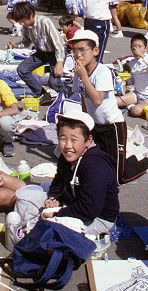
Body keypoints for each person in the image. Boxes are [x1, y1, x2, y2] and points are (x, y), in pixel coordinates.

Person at [70, 28, 148, 183]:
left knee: (117, 178)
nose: (78, 55)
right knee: (101, 164)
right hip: (96, 125)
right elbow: (82, 97)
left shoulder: (102, 71)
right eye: (74, 51)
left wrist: (83, 76)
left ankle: (146, 161)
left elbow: (97, 100)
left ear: (95, 51)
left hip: (112, 125)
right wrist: (84, 121)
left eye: (82, 50)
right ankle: (126, 160)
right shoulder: (79, 73)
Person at [41, 102, 119, 240]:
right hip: (75, 202)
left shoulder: (96, 166)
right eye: (62, 139)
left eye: (74, 140)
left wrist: (57, 213)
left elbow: (89, 210)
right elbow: (59, 181)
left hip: (98, 218)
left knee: (51, 231)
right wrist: (54, 198)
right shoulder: (67, 156)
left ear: (88, 141)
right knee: (35, 193)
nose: (68, 146)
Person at [9, 0, 67, 99]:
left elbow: (59, 44)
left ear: (31, 15)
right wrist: (15, 45)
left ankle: (67, 96)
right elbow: (26, 42)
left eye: (23, 20)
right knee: (22, 70)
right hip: (42, 52)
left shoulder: (44, 22)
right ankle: (41, 93)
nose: (22, 23)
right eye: (20, 21)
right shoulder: (26, 26)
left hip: (56, 52)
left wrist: (59, 63)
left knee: (54, 82)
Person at [117, 33, 148, 125]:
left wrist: (142, 56)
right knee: (114, 101)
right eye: (134, 46)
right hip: (137, 93)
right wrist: (124, 82)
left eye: (139, 46)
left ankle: (130, 106)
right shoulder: (132, 62)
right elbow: (133, 80)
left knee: (136, 111)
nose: (136, 49)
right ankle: (130, 104)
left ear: (145, 49)